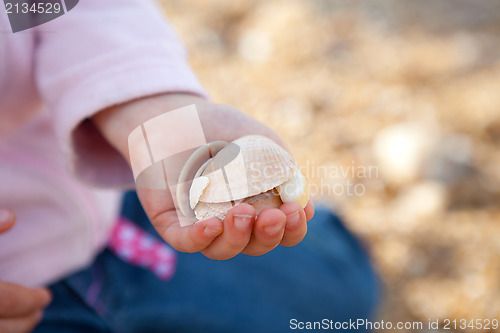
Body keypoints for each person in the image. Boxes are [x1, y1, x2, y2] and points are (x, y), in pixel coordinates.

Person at [0, 1, 379, 332]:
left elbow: (67, 6)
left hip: (124, 195)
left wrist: (152, 111)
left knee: (345, 292)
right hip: (19, 300)